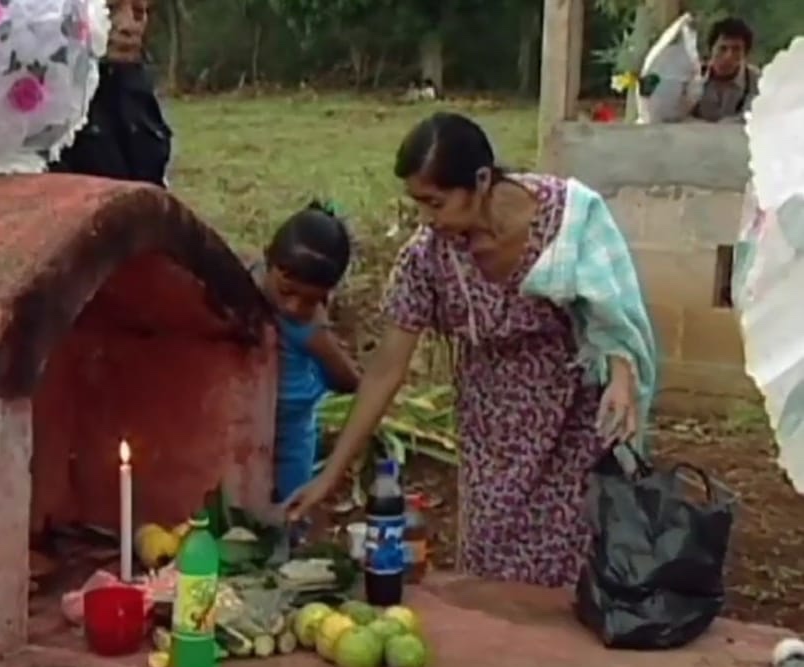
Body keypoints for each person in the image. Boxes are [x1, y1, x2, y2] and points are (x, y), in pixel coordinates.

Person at [285, 113, 656, 588]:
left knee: (578, 561)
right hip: (493, 432)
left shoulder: (566, 216)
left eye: (435, 203)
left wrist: (622, 377)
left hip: (574, 423)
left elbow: (612, 310)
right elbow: (384, 371)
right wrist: (330, 474)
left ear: (480, 180)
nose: (427, 218)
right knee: (493, 564)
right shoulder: (428, 258)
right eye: (418, 204)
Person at [250, 202, 361, 507]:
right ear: (268, 261)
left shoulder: (309, 329)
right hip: (243, 420)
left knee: (290, 505)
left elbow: (350, 380)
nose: (294, 308)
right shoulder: (242, 286)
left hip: (291, 430)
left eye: (311, 301)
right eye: (287, 291)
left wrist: (321, 376)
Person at [50, 0, 172, 185]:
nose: (129, 26)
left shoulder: (140, 92)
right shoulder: (39, 106)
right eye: (110, 9)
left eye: (139, 11)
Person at [691, 17, 759, 123]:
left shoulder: (757, 83)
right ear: (711, 50)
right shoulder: (692, 78)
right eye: (722, 49)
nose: (728, 56)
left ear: (745, 54)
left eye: (736, 49)